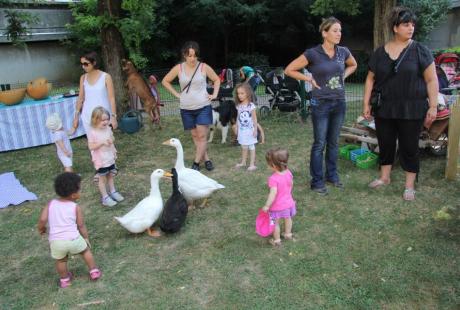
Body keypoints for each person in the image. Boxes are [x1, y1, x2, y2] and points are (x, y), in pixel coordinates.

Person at [363, 7, 438, 201]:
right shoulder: (379, 53)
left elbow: (431, 80)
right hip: (384, 108)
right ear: (395, 28)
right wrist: (366, 104)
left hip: (412, 108)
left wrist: (433, 106)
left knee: (409, 146)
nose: (411, 28)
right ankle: (385, 177)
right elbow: (370, 79)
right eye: (406, 24)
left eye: (412, 24)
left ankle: (409, 186)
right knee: (385, 143)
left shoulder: (420, 50)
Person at [284, 17, 357, 195]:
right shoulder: (313, 53)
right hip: (321, 104)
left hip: (339, 102)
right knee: (319, 143)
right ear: (324, 33)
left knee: (333, 142)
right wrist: (308, 78)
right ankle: (317, 181)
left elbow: (353, 65)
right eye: (335, 30)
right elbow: (289, 69)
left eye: (340, 30)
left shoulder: (343, 52)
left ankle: (332, 175)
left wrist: (343, 77)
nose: (339, 34)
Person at [162, 41, 220, 171]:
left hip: (203, 106)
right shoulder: (179, 68)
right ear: (184, 55)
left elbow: (216, 79)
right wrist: (176, 94)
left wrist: (214, 94)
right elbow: (165, 81)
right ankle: (207, 159)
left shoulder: (204, 67)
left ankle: (196, 163)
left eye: (195, 55)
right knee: (195, 136)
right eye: (189, 56)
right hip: (186, 108)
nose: (192, 59)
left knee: (202, 136)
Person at [37, 172, 101, 288]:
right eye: (79, 190)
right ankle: (93, 271)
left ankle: (65, 280)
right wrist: (86, 238)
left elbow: (42, 219)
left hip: (57, 242)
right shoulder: (75, 207)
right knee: (85, 251)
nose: (80, 191)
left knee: (61, 260)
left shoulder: (51, 204)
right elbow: (81, 225)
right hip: (74, 239)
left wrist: (41, 229)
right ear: (73, 195)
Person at [71, 51, 118, 135]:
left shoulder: (106, 77)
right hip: (87, 116)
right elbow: (80, 98)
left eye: (86, 64)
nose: (83, 66)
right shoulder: (83, 78)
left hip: (103, 116)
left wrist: (113, 117)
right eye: (82, 64)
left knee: (106, 143)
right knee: (93, 144)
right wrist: (76, 117)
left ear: (94, 62)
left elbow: (112, 98)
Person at [87, 106, 124, 207]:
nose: (105, 122)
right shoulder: (93, 132)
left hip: (109, 157)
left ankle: (113, 192)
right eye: (102, 120)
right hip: (101, 160)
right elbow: (91, 147)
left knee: (111, 176)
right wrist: (101, 143)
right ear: (95, 120)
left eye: (107, 119)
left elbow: (112, 137)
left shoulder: (108, 129)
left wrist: (111, 140)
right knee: (102, 179)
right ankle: (105, 197)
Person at [262, 148, 296, 246]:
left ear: (273, 165)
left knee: (274, 223)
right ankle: (288, 234)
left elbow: (273, 193)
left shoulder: (273, 179)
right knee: (288, 218)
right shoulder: (289, 173)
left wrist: (267, 206)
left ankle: (276, 241)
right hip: (288, 203)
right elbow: (291, 184)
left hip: (275, 208)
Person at [234, 83, 258, 171]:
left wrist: (255, 129)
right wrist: (236, 127)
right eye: (238, 93)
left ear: (247, 93)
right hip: (242, 131)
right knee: (244, 146)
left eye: (242, 93)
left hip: (250, 131)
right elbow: (238, 117)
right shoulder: (239, 106)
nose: (239, 95)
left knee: (251, 146)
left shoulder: (251, 106)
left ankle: (252, 164)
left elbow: (255, 119)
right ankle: (243, 162)